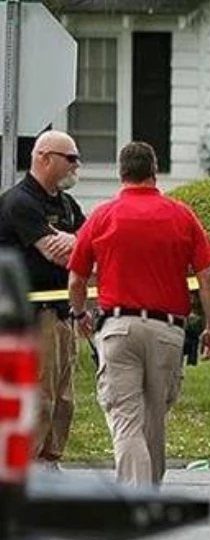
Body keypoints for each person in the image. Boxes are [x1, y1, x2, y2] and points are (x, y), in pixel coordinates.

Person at [67, 141, 210, 486]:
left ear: (121, 173)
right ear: (154, 170)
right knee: (154, 418)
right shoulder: (181, 214)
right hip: (167, 330)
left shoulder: (103, 215)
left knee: (125, 418)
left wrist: (79, 316)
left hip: (119, 327)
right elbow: (207, 276)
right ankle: (149, 490)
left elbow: (77, 279)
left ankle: (137, 495)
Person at [0, 131, 85, 471]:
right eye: (71, 158)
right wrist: (76, 246)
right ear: (44, 158)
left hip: (63, 310)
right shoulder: (20, 202)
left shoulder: (65, 203)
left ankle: (50, 459)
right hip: (33, 313)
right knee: (40, 393)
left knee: (64, 397)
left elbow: (90, 245)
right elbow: (56, 255)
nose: (77, 165)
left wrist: (76, 243)